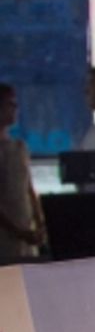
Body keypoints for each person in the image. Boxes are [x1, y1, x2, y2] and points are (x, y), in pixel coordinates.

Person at [0, 83, 46, 259]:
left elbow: (28, 187)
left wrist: (40, 222)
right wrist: (18, 232)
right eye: (10, 104)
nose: (15, 109)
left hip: (26, 231)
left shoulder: (19, 147)